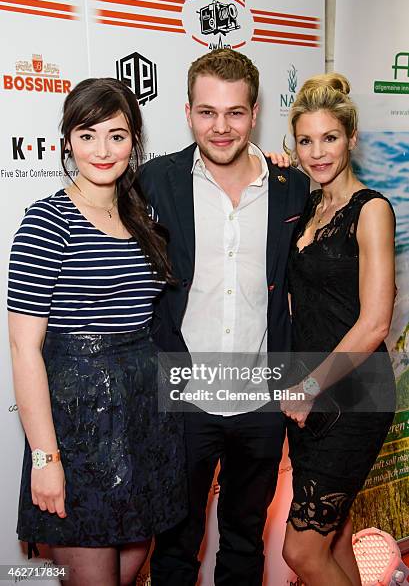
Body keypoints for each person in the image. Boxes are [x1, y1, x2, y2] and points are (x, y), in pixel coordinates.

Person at [138, 48, 309, 585]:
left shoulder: (293, 186)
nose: (221, 126)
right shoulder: (154, 181)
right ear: (187, 112)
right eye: (207, 111)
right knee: (174, 545)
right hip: (184, 395)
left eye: (234, 112)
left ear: (254, 113)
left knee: (244, 539)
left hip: (261, 396)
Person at [7, 77, 187, 586]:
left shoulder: (143, 215)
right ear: (66, 141)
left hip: (141, 419)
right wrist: (45, 458)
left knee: (131, 570)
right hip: (77, 425)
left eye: (117, 135)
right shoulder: (47, 221)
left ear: (135, 141)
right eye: (87, 135)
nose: (102, 150)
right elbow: (24, 348)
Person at [277, 73, 396, 586]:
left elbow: (374, 322)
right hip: (313, 390)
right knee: (336, 536)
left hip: (353, 394)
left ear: (350, 137)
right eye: (305, 140)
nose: (317, 152)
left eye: (329, 138)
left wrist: (308, 387)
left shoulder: (371, 211)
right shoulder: (306, 205)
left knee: (301, 552)